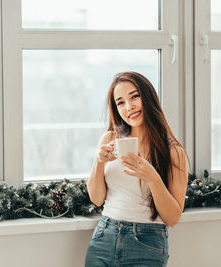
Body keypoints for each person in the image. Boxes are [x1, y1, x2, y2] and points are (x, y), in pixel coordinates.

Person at [85, 71, 189, 267]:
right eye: (120, 102)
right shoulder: (110, 139)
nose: (129, 107)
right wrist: (99, 162)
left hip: (147, 241)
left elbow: (173, 217)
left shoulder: (173, 152)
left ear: (148, 97)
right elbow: (97, 198)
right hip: (104, 236)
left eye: (134, 96)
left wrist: (152, 178)